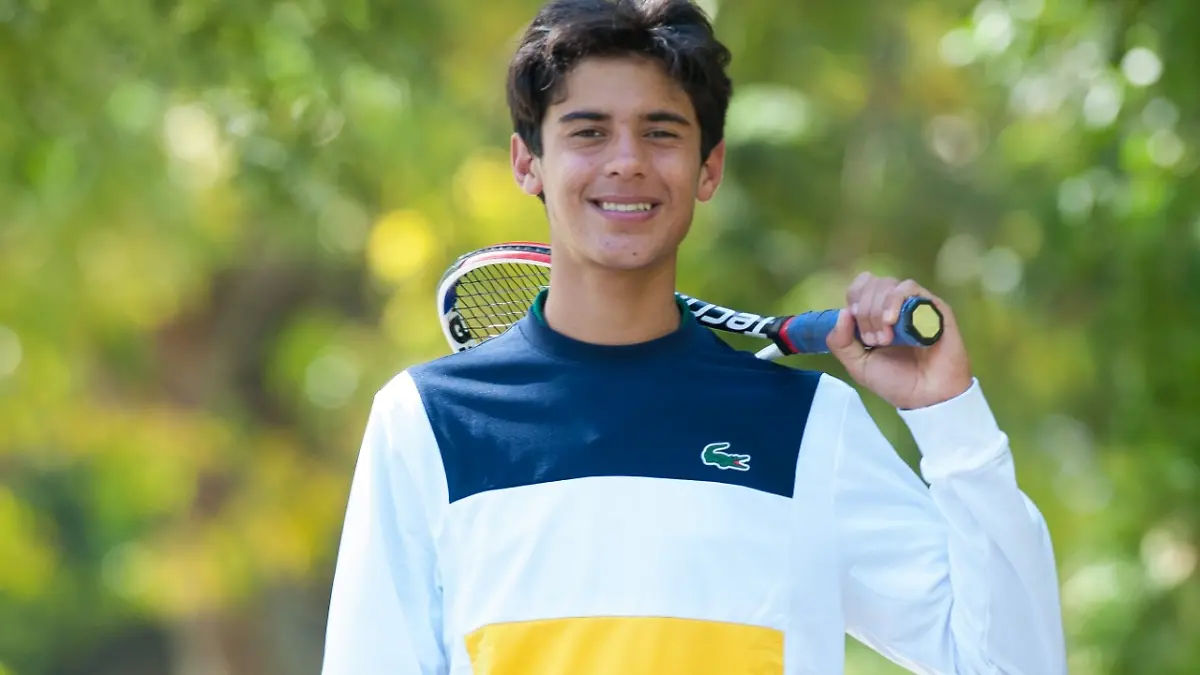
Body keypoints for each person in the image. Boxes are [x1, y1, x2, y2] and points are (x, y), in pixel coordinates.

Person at [320, 0, 1067, 673]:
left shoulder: (809, 428)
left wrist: (948, 414)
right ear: (528, 163)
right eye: (588, 132)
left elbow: (1008, 665)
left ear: (708, 168)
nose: (626, 161)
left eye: (660, 132)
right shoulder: (425, 421)